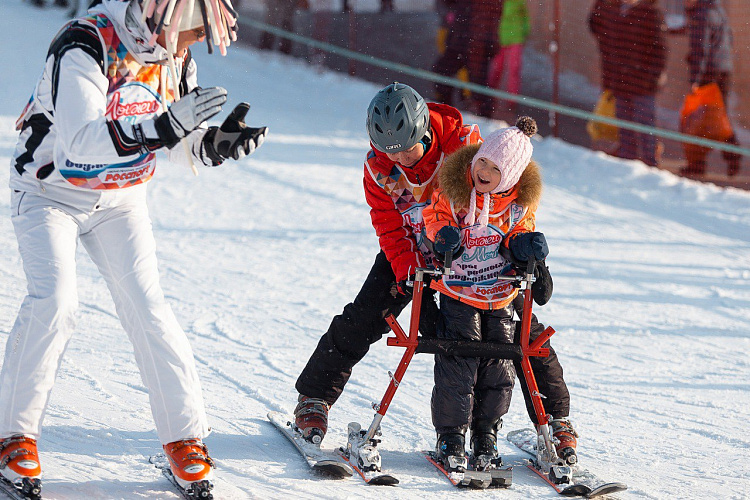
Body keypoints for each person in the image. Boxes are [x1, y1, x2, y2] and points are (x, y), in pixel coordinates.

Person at [0, 0, 267, 496]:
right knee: (55, 303)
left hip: (120, 199)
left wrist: (214, 145)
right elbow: (79, 142)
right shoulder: (86, 44)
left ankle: (185, 440)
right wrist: (165, 127)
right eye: (192, 31)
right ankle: (13, 435)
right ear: (162, 16)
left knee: (149, 310)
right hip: (49, 192)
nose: (192, 44)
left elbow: (182, 134)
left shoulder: (174, 56)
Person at [293, 84, 577, 465]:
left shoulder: (465, 145)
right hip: (414, 252)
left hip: (479, 255)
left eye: (408, 149)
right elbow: (388, 224)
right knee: (366, 314)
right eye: (390, 151)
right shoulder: (378, 169)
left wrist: (525, 255)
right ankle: (314, 397)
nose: (401, 159)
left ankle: (556, 421)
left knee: (519, 330)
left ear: (425, 131)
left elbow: (510, 194)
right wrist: (409, 269)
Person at [422, 117, 557, 471]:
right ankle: (451, 434)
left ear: (510, 176)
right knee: (458, 362)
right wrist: (443, 236)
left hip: (499, 294)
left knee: (498, 366)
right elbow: (433, 214)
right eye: (481, 160)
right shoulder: (454, 191)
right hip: (459, 290)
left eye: (495, 168)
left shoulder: (516, 207)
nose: (483, 170)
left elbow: (518, 234)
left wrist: (526, 245)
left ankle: (486, 432)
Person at [589, 0, 667, 167]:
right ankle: (626, 159)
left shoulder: (650, 13)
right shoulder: (614, 10)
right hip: (620, 79)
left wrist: (653, 76)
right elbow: (596, 26)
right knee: (624, 122)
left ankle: (650, 161)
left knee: (645, 121)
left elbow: (660, 48)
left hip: (643, 81)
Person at [681, 0, 740, 177]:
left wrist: (695, 79)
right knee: (719, 118)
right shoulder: (716, 10)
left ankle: (697, 164)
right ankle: (733, 158)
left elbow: (701, 48)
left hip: (708, 74)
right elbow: (729, 37)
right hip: (723, 70)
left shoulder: (701, 15)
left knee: (697, 119)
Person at [487, 0, 530, 116]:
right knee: (497, 68)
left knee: (514, 69)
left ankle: (512, 101)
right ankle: (489, 95)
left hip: (515, 37)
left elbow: (524, 16)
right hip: (500, 37)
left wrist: (524, 31)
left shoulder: (519, 2)